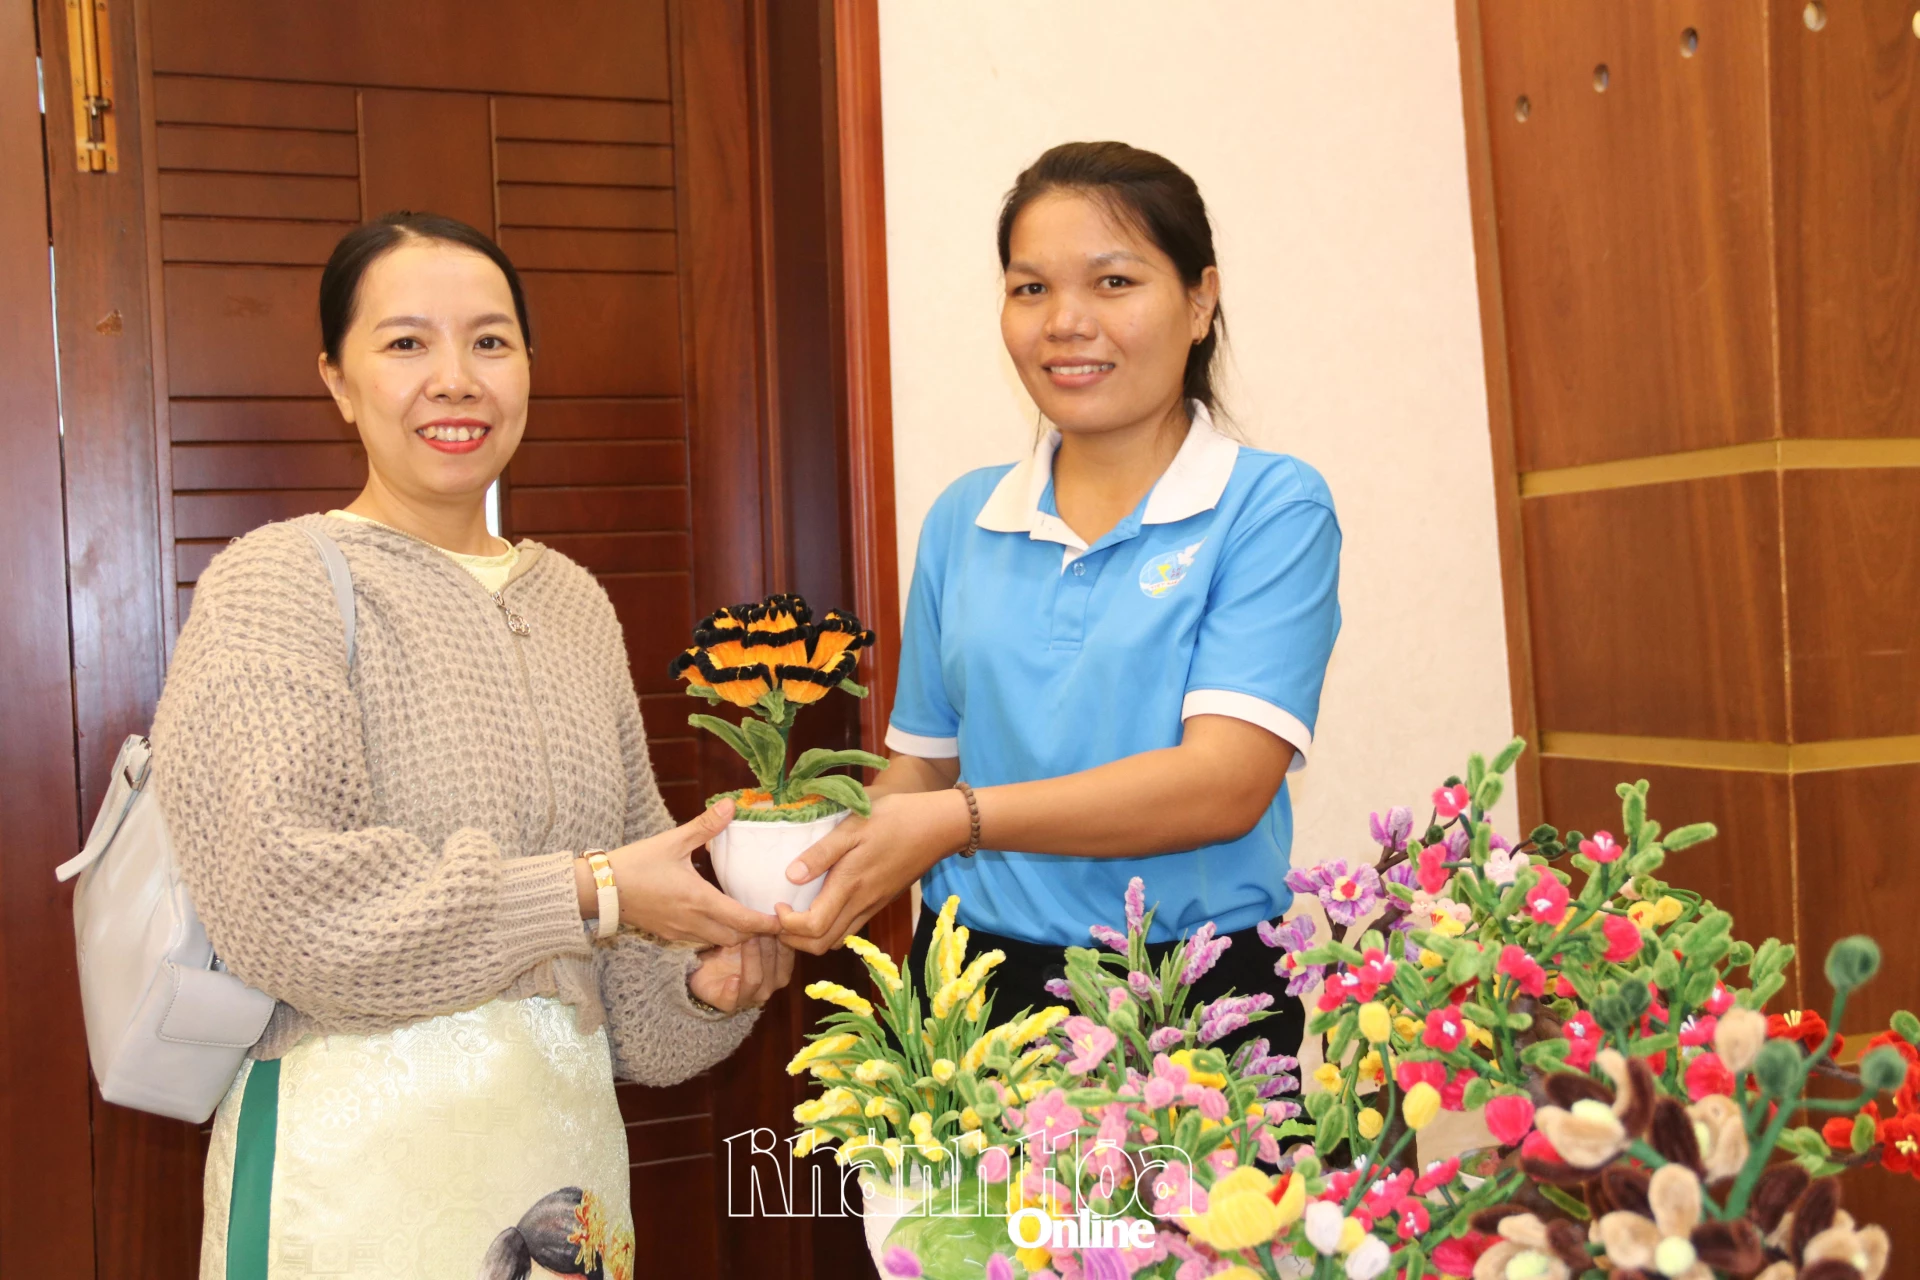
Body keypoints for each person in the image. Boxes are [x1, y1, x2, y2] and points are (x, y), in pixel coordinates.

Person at [151, 211, 792, 1280]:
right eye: (407, 343)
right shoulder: (275, 584)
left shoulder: (575, 601)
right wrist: (587, 890)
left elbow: (630, 980)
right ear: (338, 380)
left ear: (529, 367)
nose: (455, 379)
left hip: (563, 1180)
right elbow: (284, 901)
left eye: (490, 342)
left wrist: (705, 985)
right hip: (346, 1177)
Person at [777, 142, 1341, 1059]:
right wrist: (804, 870)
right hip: (966, 988)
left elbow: (1225, 784)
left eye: (1114, 282)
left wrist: (961, 819)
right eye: (1030, 288)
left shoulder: (1270, 507)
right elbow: (923, 769)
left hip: (1187, 996)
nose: (1066, 322)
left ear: (1200, 301)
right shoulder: (965, 517)